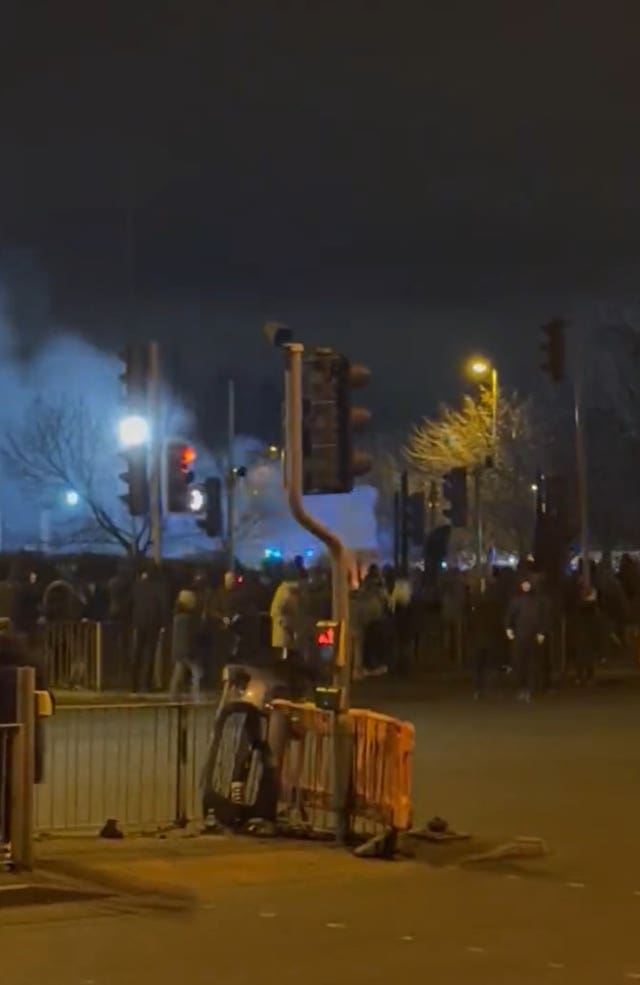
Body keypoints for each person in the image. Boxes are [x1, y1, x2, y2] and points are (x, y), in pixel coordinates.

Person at [505, 577, 548, 702]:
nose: (525, 586)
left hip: (531, 635)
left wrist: (541, 632)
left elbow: (542, 617)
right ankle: (521, 688)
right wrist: (508, 628)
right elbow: (509, 616)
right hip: (521, 635)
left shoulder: (536, 601)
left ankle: (528, 689)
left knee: (531, 663)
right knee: (520, 663)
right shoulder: (516, 601)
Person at [131, 567, 166, 693]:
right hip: (153, 624)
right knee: (149, 654)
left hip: (139, 623)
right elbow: (163, 606)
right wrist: (163, 624)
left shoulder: (137, 586)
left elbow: (131, 604)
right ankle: (146, 684)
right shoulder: (159, 587)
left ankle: (133, 684)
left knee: (137, 654)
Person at [169, 588, 202, 698]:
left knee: (178, 673)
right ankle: (195, 696)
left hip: (178, 650)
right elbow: (190, 636)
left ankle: (173, 695)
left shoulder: (177, 616)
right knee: (196, 672)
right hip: (186, 651)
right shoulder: (188, 619)